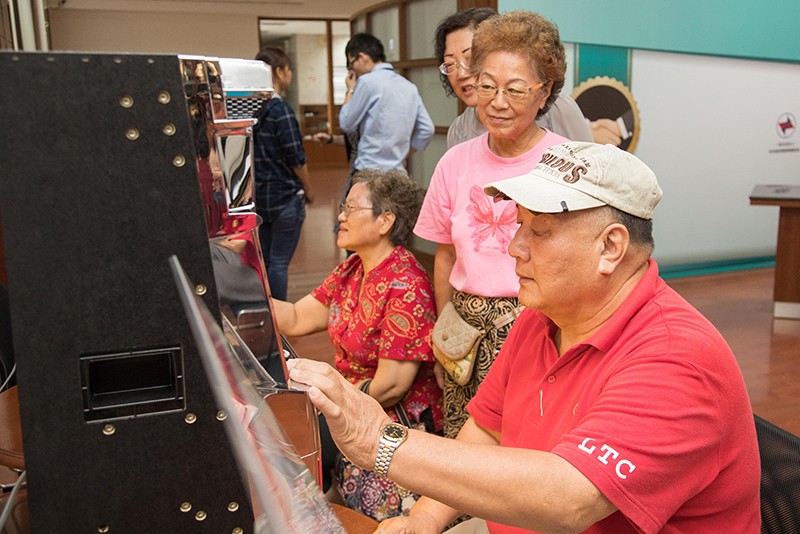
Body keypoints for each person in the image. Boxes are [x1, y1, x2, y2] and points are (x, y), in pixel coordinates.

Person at [286, 141, 762, 533]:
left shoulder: (677, 357)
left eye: (541, 230)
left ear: (611, 247)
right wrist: (425, 518)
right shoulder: (543, 315)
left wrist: (380, 441)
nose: (514, 247)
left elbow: (570, 498)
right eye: (518, 225)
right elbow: (488, 431)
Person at [415, 10, 570, 439]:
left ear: (546, 92)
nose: (497, 102)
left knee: (526, 447)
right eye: (486, 86)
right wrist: (443, 325)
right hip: (465, 329)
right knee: (463, 452)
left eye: (515, 90)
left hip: (540, 328)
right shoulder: (454, 162)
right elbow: (446, 254)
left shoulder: (567, 165)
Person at [272, 169, 442, 521]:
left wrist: (330, 406)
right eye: (342, 208)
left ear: (385, 221)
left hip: (393, 422)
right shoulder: (351, 269)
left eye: (351, 208)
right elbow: (295, 318)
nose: (340, 217)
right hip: (352, 404)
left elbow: (392, 387)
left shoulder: (406, 283)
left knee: (297, 460)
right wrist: (237, 290)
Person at [434, 8, 593, 149]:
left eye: (470, 58)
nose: (461, 74)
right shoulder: (458, 130)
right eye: (450, 64)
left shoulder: (558, 108)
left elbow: (590, 170)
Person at [253, 46, 312, 301]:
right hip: (285, 197)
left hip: (259, 196)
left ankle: (266, 310)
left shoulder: (250, 109)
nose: (290, 75)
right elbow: (296, 158)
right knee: (278, 262)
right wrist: (308, 189)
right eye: (289, 70)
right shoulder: (281, 111)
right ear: (278, 71)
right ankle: (281, 318)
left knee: (264, 260)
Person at [339, 33, 435, 173]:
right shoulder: (409, 86)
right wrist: (404, 154)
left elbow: (346, 123)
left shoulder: (367, 83)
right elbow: (427, 129)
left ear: (363, 57)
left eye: (351, 64)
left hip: (369, 172)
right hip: (398, 174)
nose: (352, 70)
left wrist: (350, 90)